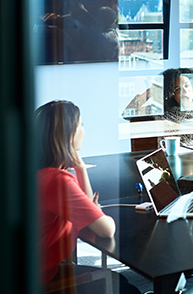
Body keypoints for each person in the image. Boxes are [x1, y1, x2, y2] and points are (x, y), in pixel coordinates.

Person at [36, 100, 139, 294]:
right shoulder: (58, 182)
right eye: (80, 125)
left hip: (31, 271)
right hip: (43, 280)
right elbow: (106, 229)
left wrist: (80, 168)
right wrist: (96, 211)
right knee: (126, 289)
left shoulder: (42, 173)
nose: (84, 131)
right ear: (67, 134)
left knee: (121, 280)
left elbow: (87, 211)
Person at [123, 68, 193, 146]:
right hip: (167, 160)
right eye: (178, 89)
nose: (184, 91)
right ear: (171, 94)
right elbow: (127, 114)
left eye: (187, 85)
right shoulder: (160, 109)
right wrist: (150, 92)